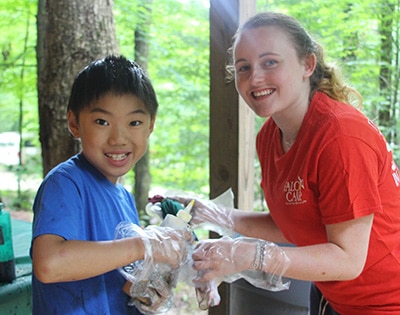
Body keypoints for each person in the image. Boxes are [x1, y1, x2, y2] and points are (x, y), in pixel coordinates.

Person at [178, 12, 400, 315]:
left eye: (270, 62)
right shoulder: (269, 136)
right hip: (331, 297)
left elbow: (348, 260)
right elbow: (295, 224)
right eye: (244, 67)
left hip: (386, 302)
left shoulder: (341, 136)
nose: (254, 78)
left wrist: (249, 255)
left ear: (307, 64)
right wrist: (213, 214)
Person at [30, 55, 191, 315]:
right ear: (74, 123)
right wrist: (144, 245)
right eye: (102, 122)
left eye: (134, 123)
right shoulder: (65, 183)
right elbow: (49, 265)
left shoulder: (124, 198)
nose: (118, 138)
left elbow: (116, 280)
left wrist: (146, 293)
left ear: (150, 126)